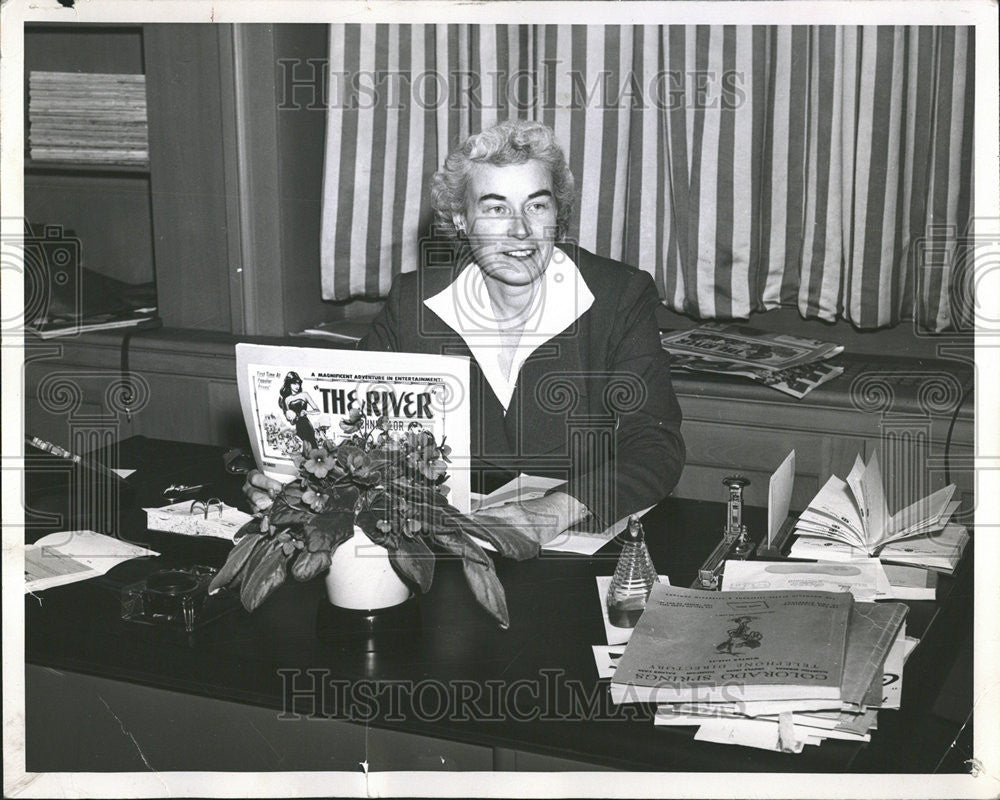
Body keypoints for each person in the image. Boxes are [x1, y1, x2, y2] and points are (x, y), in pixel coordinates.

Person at [247, 120, 685, 544]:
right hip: (446, 545)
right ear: (460, 219)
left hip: (580, 541)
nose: (521, 230)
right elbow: (351, 433)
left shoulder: (617, 296)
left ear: (558, 214)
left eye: (537, 205)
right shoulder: (413, 303)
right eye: (495, 208)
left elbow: (655, 445)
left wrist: (553, 511)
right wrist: (295, 483)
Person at [277, 371, 320, 452]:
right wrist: (291, 418)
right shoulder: (287, 399)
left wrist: (307, 412)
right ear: (289, 384)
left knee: (313, 448)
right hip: (298, 427)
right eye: (294, 383)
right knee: (303, 451)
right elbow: (291, 422)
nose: (297, 386)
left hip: (306, 425)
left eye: (298, 383)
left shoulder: (304, 395)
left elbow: (318, 411)